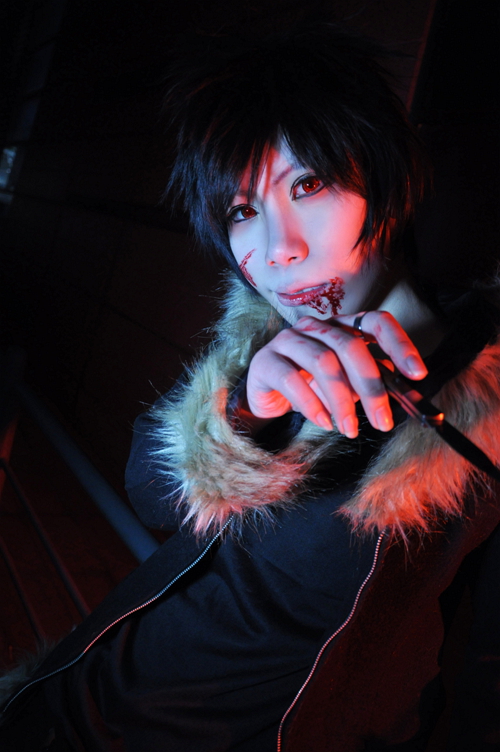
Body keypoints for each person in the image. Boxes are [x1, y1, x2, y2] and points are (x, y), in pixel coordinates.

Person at [1, 17, 500, 752]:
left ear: (386, 183)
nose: (277, 251)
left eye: (309, 184)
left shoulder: (485, 407)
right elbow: (153, 496)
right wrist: (243, 412)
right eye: (243, 211)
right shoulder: (259, 337)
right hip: (80, 699)